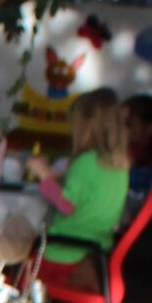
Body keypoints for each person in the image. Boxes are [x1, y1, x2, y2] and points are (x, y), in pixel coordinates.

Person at [28, 89, 129, 290]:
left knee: (18, 263)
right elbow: (92, 194)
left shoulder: (85, 162)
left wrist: (44, 175)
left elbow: (66, 205)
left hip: (65, 254)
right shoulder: (121, 165)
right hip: (95, 255)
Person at [121, 93, 152, 215]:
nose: (122, 130)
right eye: (119, 124)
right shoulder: (122, 150)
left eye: (129, 124)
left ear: (150, 128)